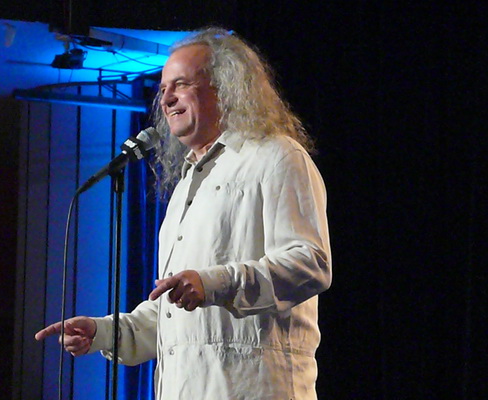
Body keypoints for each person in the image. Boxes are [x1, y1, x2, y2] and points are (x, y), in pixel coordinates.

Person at [36, 27, 332, 400]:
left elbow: (309, 264)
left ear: (226, 88)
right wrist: (105, 332)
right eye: (163, 89)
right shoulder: (188, 185)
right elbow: (174, 316)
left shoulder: (276, 156)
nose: (166, 99)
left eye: (181, 84)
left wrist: (215, 282)